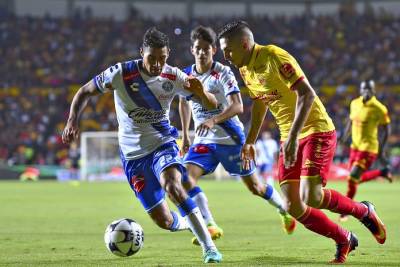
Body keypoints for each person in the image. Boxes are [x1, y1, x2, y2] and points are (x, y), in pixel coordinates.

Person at [217, 20, 386, 263]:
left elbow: (307, 94)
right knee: (291, 205)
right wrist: (250, 140)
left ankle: (364, 211)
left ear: (244, 44)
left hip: (316, 129)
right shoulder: (245, 69)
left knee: (312, 196)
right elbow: (260, 102)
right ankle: (344, 238)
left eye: (228, 50)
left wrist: (294, 138)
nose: (226, 57)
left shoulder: (274, 56)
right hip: (290, 136)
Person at [62, 27, 222, 263]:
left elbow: (211, 104)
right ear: (141, 53)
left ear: (168, 55)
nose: (157, 64)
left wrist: (202, 93)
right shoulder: (120, 73)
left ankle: (209, 248)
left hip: (162, 144)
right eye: (152, 58)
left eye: (163, 58)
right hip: (133, 156)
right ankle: (191, 223)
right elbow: (84, 92)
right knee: (164, 221)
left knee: (173, 187)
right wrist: (72, 120)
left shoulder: (174, 76)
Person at [179, 26, 296, 246]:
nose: (202, 52)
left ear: (213, 50)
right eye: (198, 48)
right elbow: (182, 102)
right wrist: (185, 135)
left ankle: (283, 209)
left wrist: (213, 119)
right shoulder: (186, 75)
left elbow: (238, 106)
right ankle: (210, 224)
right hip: (204, 140)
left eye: (206, 49)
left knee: (256, 188)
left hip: (230, 139)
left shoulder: (223, 72)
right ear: (191, 50)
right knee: (184, 179)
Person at [339, 80, 392, 222]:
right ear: (360, 89)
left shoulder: (379, 108)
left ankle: (346, 210)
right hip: (354, 147)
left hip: (369, 148)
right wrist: (345, 137)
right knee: (354, 179)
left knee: (352, 178)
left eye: (369, 88)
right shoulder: (354, 103)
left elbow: (387, 129)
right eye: (364, 88)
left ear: (374, 90)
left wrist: (381, 150)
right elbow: (350, 121)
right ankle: (382, 172)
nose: (366, 91)